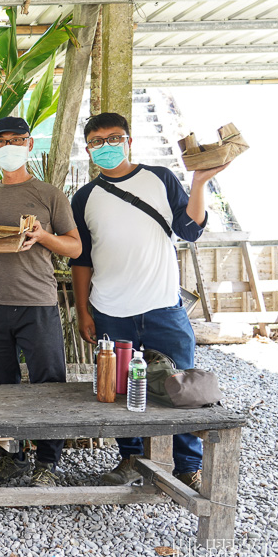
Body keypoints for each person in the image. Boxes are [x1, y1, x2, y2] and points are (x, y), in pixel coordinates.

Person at [70, 112, 229, 492]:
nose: (106, 146)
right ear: (89, 149)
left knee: (184, 388)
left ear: (129, 141)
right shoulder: (85, 197)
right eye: (97, 141)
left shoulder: (159, 177)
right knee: (121, 388)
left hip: (162, 306)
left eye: (114, 138)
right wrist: (83, 311)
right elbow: (81, 258)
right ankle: (132, 458)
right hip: (110, 308)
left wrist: (199, 183)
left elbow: (190, 228)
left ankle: (187, 465)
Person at [0, 117, 82, 488]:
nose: (9, 147)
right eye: (0, 142)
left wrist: (42, 236)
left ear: (29, 145)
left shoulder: (50, 195)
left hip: (37, 302)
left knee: (48, 383)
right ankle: (9, 457)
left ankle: (48, 461)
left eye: (16, 140)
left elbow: (74, 246)